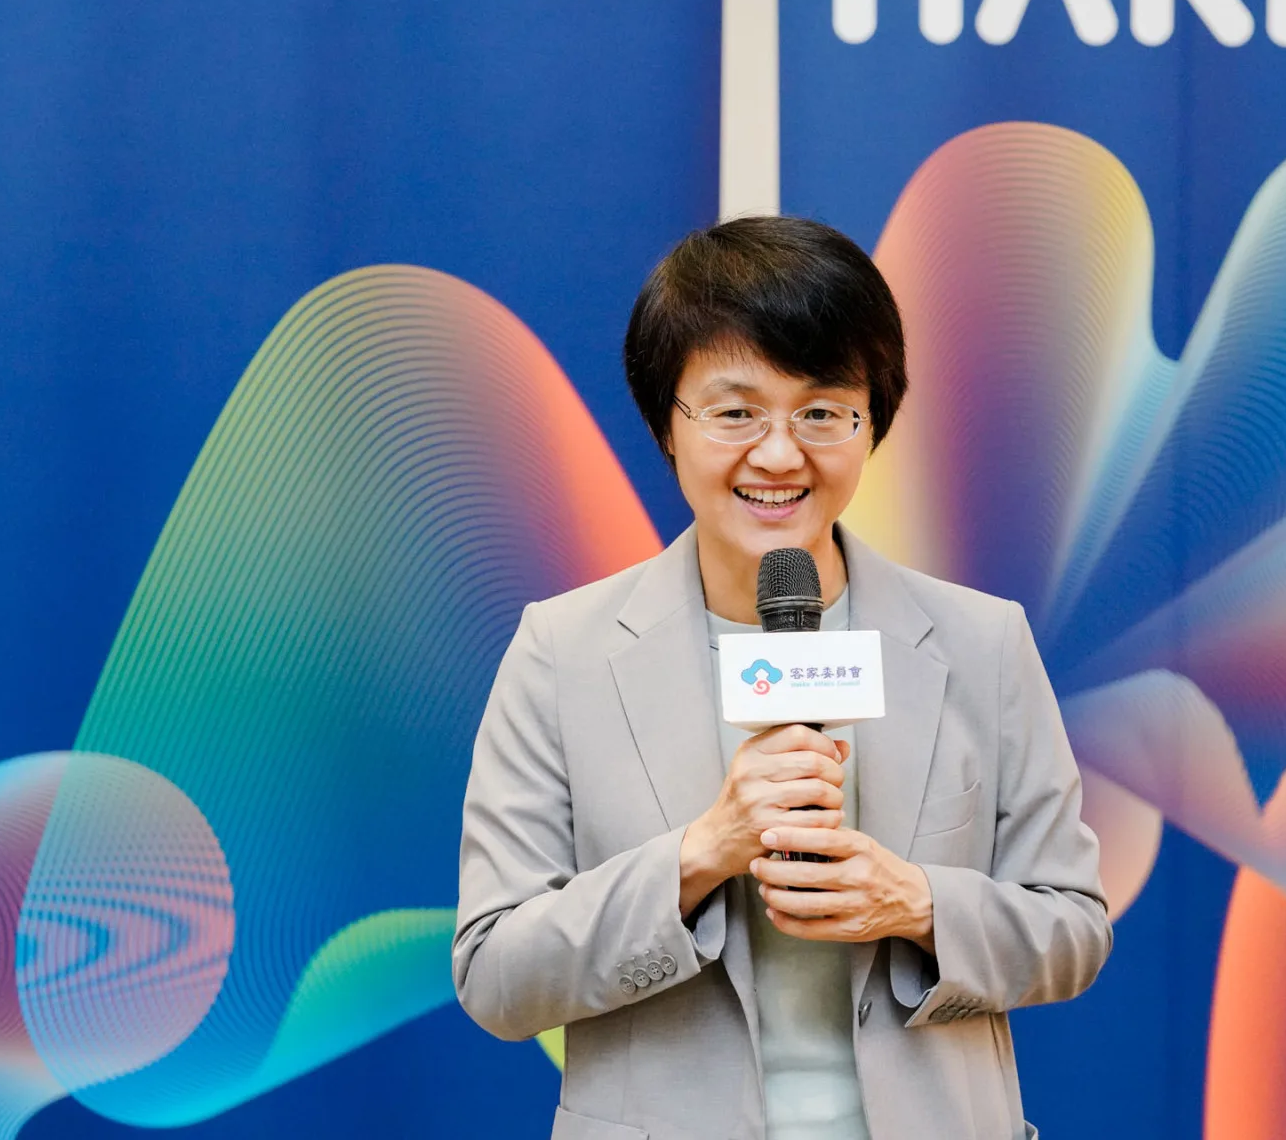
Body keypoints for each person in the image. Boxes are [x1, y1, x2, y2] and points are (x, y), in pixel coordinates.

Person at [453, 216, 1110, 1140]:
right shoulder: (563, 653)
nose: (778, 453)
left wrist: (917, 905)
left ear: (872, 422)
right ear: (667, 423)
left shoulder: (980, 642)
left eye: (822, 412)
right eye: (735, 413)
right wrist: (700, 854)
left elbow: (1073, 931)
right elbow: (495, 976)